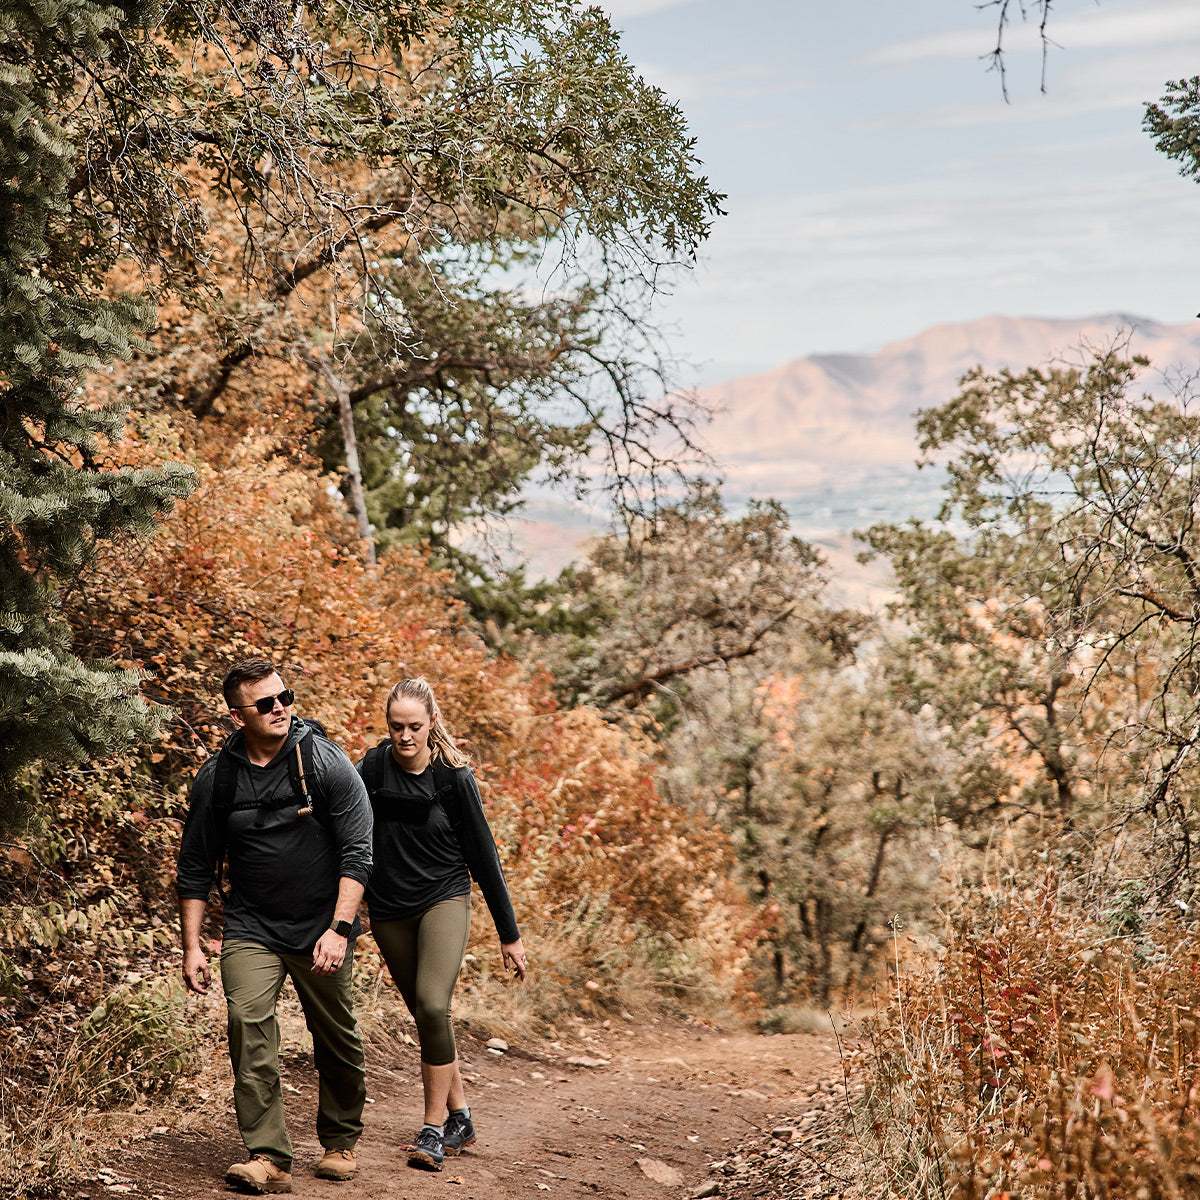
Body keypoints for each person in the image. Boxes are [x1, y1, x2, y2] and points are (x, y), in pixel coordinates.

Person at [176, 658, 374, 1195]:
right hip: (251, 925)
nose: (280, 708)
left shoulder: (324, 762)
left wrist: (339, 927)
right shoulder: (219, 779)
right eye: (265, 703)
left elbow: (359, 851)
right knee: (247, 1022)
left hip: (321, 925)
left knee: (334, 1033)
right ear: (238, 714)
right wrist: (192, 946)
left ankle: (339, 1140)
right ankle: (268, 1155)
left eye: (284, 696)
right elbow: (194, 866)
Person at [358, 677, 527, 1171]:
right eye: (396, 727)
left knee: (433, 1005)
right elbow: (341, 823)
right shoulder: (370, 767)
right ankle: (461, 1115)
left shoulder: (454, 779)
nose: (405, 736)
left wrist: (509, 934)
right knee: (426, 1016)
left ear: (432, 722)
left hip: (443, 898)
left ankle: (433, 1130)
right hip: (389, 908)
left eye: (414, 726)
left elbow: (485, 859)